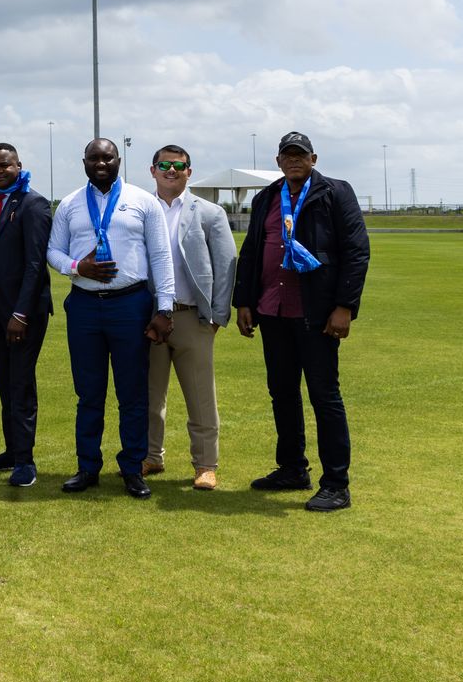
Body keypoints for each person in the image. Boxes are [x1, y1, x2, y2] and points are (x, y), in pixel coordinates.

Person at [233, 131, 370, 512]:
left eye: (300, 155)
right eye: (287, 155)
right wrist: (243, 301)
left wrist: (344, 307)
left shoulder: (335, 193)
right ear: (278, 161)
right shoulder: (266, 197)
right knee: (282, 393)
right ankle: (292, 468)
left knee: (324, 396)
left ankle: (336, 484)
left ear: (313, 158)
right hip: (273, 309)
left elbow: (356, 251)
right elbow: (252, 251)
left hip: (316, 313)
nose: (294, 160)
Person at [46, 138, 175, 500]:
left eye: (107, 158)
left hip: (130, 304)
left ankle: (132, 468)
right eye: (94, 158)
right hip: (84, 306)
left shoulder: (143, 201)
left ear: (119, 160)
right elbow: (53, 250)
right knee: (88, 392)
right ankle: (87, 467)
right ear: (84, 162)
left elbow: (160, 256)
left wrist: (164, 308)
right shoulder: (70, 204)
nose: (101, 163)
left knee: (132, 393)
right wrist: (77, 267)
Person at [143, 144, 236, 491]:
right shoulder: (140, 209)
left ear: (189, 172)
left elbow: (226, 265)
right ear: (153, 170)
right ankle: (151, 456)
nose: (172, 170)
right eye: (165, 165)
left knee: (200, 396)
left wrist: (216, 317)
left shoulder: (209, 213)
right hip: (150, 317)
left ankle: (206, 465)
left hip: (192, 317)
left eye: (179, 166)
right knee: (149, 396)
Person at [0, 143, 54, 488]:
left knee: (20, 384)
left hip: (23, 313)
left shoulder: (34, 204)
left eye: (4, 165)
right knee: (4, 384)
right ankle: (11, 450)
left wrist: (20, 313)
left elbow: (36, 264)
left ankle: (25, 461)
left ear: (19, 165)